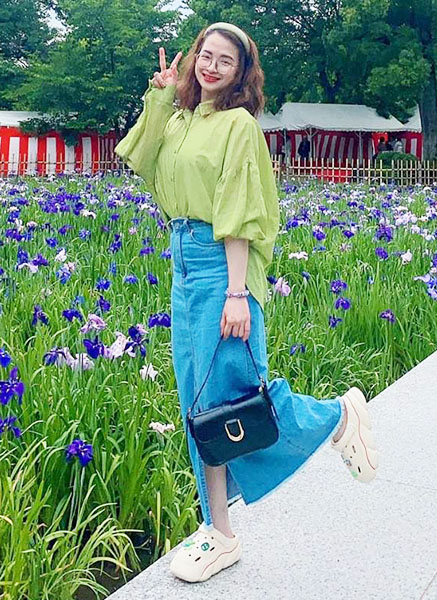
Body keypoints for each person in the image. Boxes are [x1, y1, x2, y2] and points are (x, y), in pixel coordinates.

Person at [114, 21, 379, 584]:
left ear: (241, 74)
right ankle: (220, 533)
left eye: (225, 61)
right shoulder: (180, 119)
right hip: (182, 261)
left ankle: (336, 417)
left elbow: (239, 209)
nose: (211, 67)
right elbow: (138, 157)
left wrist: (237, 292)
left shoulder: (238, 125)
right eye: (205, 56)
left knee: (234, 396)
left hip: (220, 264)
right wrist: (161, 97)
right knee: (199, 407)